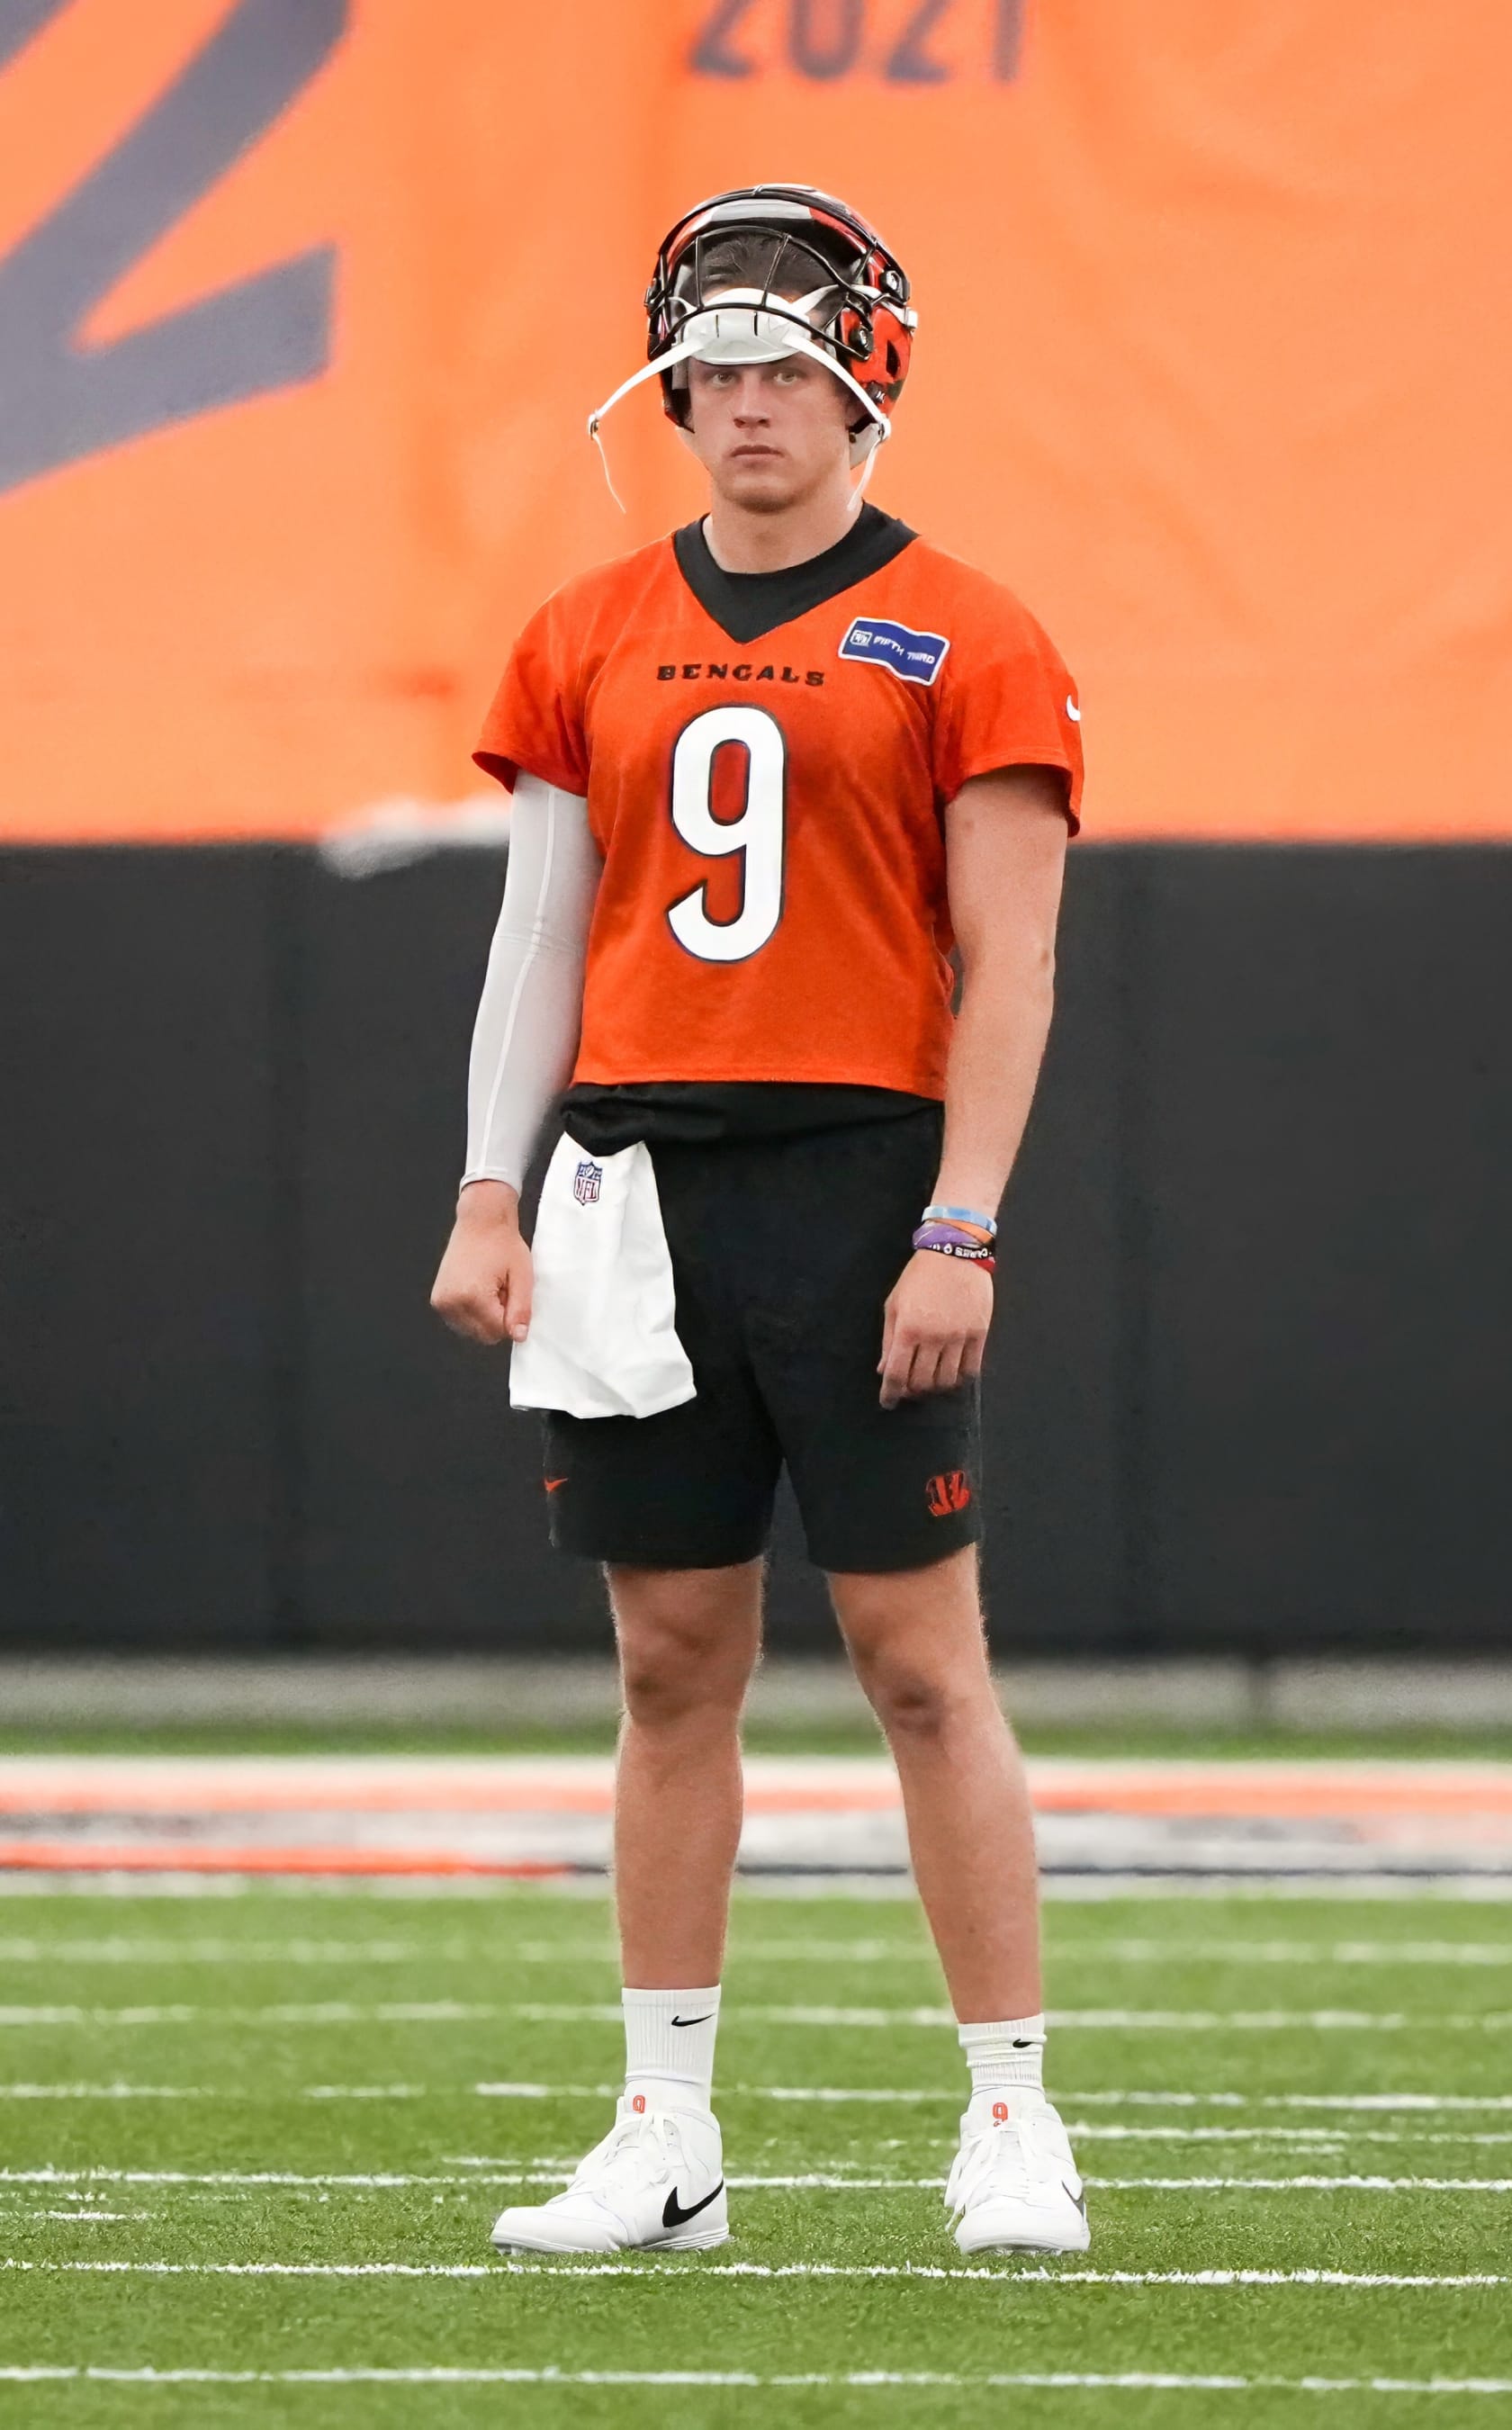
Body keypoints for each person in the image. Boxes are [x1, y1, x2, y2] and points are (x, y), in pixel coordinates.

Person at [430, 184, 1087, 2258]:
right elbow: (538, 937)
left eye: (786, 368)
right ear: (673, 388)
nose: (746, 407)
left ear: (862, 380)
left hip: (859, 1174)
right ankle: (667, 2130)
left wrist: (960, 1224)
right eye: (714, 371)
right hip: (633, 1186)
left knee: (918, 1662)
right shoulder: (584, 628)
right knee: (667, 1663)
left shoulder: (970, 630)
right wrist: (486, 1186)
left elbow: (1015, 965)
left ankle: (1008, 2118)